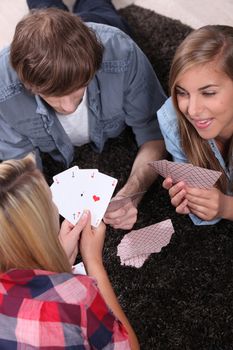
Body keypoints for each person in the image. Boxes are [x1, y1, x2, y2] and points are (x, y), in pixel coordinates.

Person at [0, 1, 167, 231]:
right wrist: (47, 217)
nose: (68, 108)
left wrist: (132, 193)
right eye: (54, 96)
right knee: (43, 8)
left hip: (101, 25)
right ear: (28, 85)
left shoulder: (121, 52)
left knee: (97, 7)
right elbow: (20, 165)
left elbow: (155, 130)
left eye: (78, 90)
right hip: (50, 42)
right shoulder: (4, 88)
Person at [0, 154, 139, 349]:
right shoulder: (76, 297)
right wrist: (93, 261)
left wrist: (56, 265)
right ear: (41, 225)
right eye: (51, 201)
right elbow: (129, 347)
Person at [157, 25, 233, 225]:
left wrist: (226, 207)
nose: (192, 110)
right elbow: (203, 214)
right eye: (182, 92)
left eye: (208, 93)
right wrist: (193, 200)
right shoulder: (172, 118)